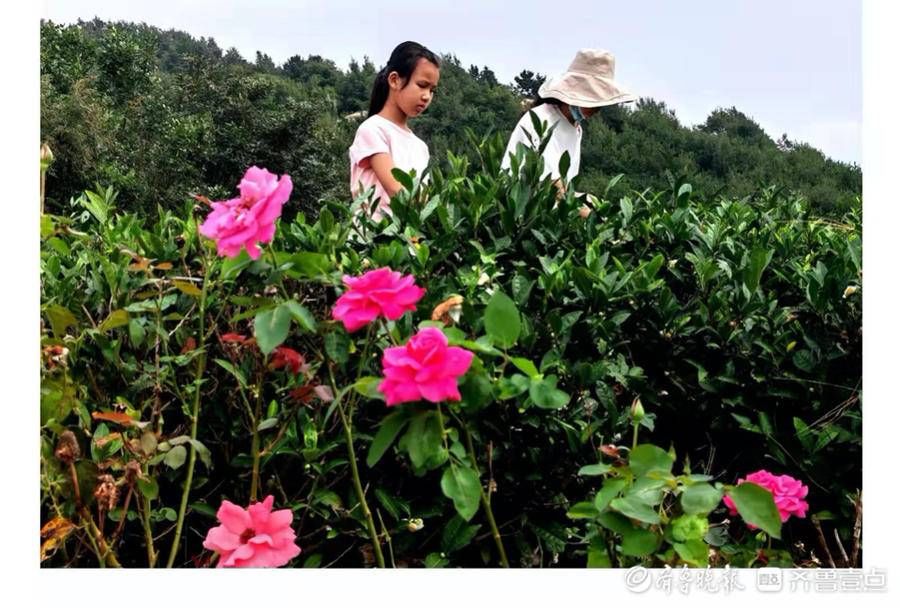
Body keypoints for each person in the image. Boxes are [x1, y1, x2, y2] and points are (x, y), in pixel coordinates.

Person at [502, 49, 635, 196]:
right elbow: (550, 184)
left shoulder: (576, 128)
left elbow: (565, 188)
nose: (596, 110)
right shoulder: (541, 118)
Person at [348, 41, 440, 221]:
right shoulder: (373, 130)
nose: (426, 96)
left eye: (432, 90)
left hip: (410, 239)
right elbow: (396, 191)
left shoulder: (420, 147)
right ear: (395, 80)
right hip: (372, 239)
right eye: (422, 85)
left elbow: (423, 198)